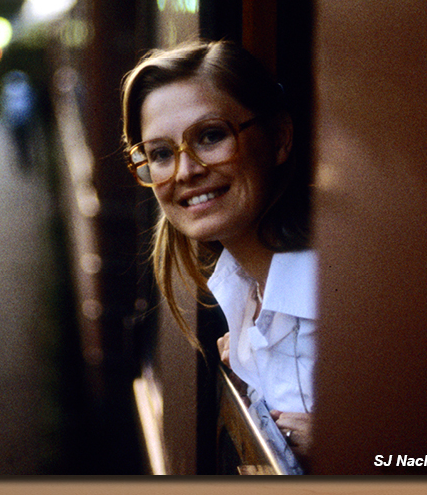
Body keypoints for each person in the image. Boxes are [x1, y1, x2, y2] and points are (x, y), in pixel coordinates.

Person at [121, 41, 316, 473]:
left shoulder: (342, 298)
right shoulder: (240, 290)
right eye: (161, 154)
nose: (185, 171)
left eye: (210, 136)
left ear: (280, 138)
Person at [0, 70, 36, 171]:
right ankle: (24, 161)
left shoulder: (10, 90)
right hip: (19, 120)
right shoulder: (24, 89)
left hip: (19, 120)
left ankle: (24, 161)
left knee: (21, 143)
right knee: (23, 143)